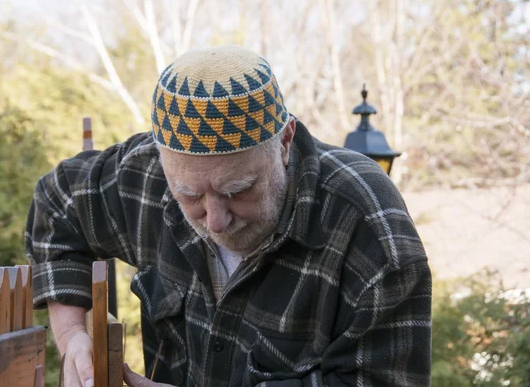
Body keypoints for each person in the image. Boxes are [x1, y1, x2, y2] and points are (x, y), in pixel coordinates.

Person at [26, 45, 432, 387]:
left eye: (238, 191)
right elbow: (56, 202)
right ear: (161, 158)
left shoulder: (368, 225)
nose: (215, 220)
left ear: (285, 142)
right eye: (189, 194)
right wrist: (71, 336)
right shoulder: (145, 175)